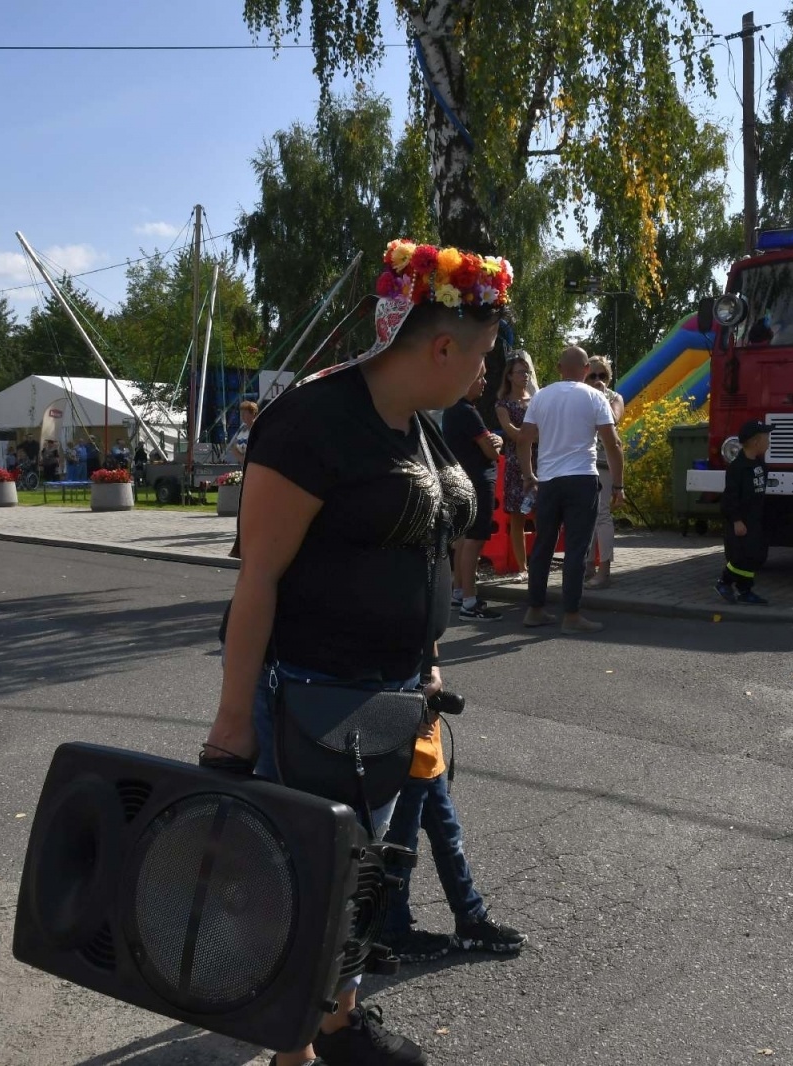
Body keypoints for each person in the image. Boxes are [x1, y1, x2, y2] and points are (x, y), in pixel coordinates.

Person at [202, 238, 512, 1066]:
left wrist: (429, 662)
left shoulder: (418, 426)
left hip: (392, 696)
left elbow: (414, 555)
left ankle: (333, 1021)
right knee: (306, 878)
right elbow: (257, 577)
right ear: (440, 346)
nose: (485, 374)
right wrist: (233, 724)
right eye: (480, 355)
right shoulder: (312, 420)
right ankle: (298, 1048)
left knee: (355, 876)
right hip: (309, 694)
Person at [381, 699, 525, 963]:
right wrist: (406, 714)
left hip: (429, 762)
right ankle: (393, 932)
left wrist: (433, 681)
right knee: (399, 854)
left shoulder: (422, 656)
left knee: (450, 842)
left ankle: (470, 919)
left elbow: (432, 665)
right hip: (400, 764)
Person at [518, 345, 624, 635]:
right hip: (581, 479)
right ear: (586, 370)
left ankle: (535, 609)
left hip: (549, 481)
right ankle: (572, 615)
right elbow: (612, 444)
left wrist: (529, 475)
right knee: (577, 550)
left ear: (558, 368)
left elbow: (524, 439)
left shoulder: (541, 396)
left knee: (542, 547)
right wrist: (618, 484)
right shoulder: (594, 396)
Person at [442, 365, 504, 620]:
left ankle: (459, 592)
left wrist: (493, 441)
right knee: (474, 540)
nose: (484, 382)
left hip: (463, 479)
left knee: (461, 539)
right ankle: (470, 600)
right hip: (478, 480)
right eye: (479, 377)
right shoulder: (467, 412)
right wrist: (497, 443)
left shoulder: (452, 409)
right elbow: (491, 451)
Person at [716, 420, 774, 606]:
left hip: (755, 518)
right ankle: (724, 582)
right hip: (741, 520)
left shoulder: (759, 464)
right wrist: (737, 520)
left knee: (754, 556)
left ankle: (745, 590)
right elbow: (729, 499)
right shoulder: (737, 468)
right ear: (756, 442)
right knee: (742, 557)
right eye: (766, 437)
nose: (769, 441)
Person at [582, 355, 625, 589]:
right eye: (593, 376)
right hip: (583, 462)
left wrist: (601, 395)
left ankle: (604, 570)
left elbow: (614, 418)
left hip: (605, 463)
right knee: (586, 516)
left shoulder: (614, 397)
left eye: (603, 376)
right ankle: (588, 565)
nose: (598, 380)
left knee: (603, 515)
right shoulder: (581, 396)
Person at [493, 354, 535, 578]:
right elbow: (513, 433)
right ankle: (522, 568)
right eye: (520, 372)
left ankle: (540, 563)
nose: (525, 376)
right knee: (518, 517)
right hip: (515, 464)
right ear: (509, 376)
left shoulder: (536, 400)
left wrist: (530, 436)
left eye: (527, 372)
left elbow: (545, 430)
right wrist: (532, 436)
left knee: (543, 514)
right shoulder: (503, 404)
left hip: (540, 462)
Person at [225, 400, 258, 465]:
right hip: (243, 464)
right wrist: (241, 458)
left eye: (245, 412)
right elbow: (234, 447)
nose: (242, 415)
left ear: (253, 414)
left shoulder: (258, 429)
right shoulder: (242, 429)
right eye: (241, 412)